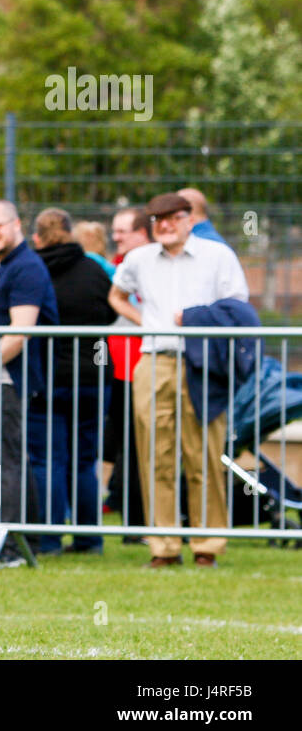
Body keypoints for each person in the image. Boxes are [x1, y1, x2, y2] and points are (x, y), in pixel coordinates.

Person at [109, 192, 248, 568]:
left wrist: (195, 320)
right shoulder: (139, 259)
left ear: (189, 219)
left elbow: (236, 306)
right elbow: (117, 296)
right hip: (154, 360)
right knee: (155, 456)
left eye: (173, 217)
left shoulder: (217, 256)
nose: (165, 225)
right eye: (158, 219)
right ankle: (164, 547)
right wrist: (147, 324)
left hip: (203, 362)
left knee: (203, 455)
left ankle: (208, 546)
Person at [0, 199, 57, 567]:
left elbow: (19, 332)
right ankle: (19, 544)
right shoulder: (6, 266)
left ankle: (12, 547)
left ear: (16, 224)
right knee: (5, 460)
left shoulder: (25, 267)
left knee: (5, 462)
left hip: (8, 380)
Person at [28, 208, 114, 555]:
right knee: (83, 460)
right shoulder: (94, 270)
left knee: (48, 459)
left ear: (38, 237)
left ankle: (48, 538)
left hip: (47, 375)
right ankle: (88, 538)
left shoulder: (35, 270)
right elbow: (109, 313)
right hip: (92, 377)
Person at [105, 206, 152, 535]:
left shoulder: (152, 265)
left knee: (144, 447)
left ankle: (142, 522)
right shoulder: (121, 265)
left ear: (142, 232)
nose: (115, 237)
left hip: (145, 365)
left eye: (122, 231)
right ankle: (133, 521)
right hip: (120, 370)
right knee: (127, 447)